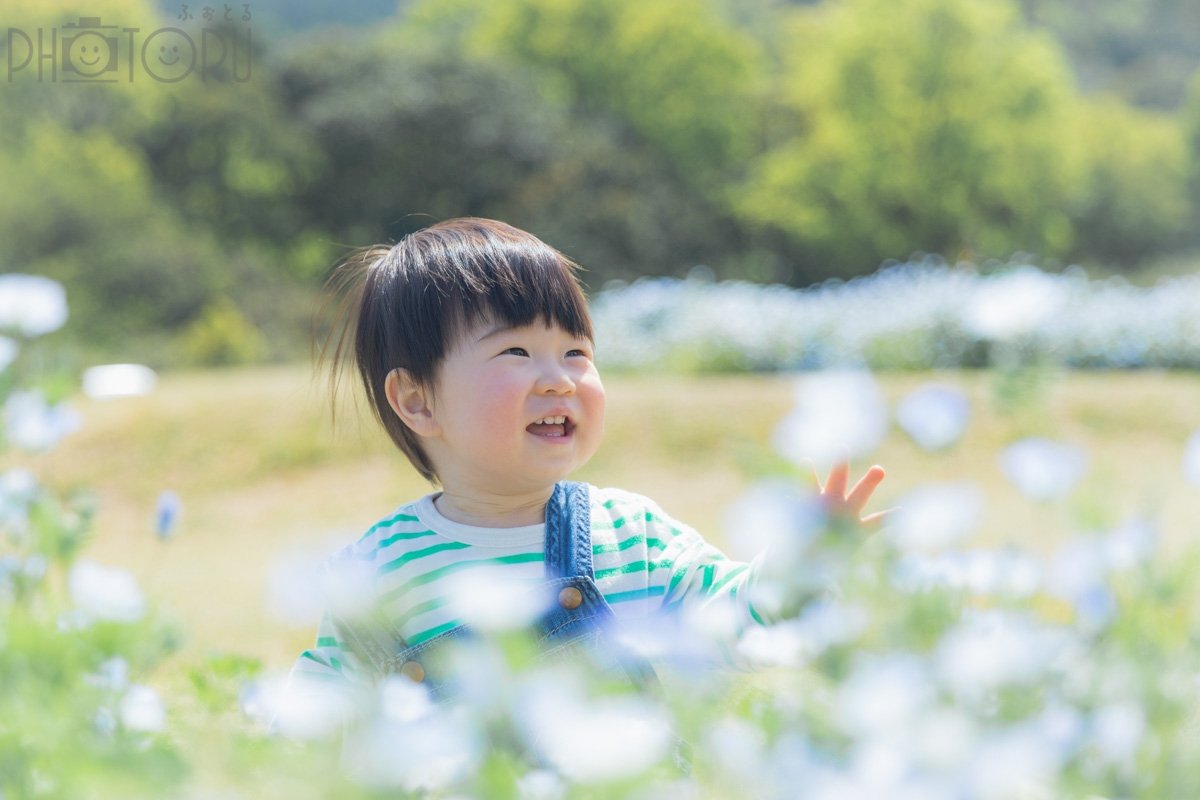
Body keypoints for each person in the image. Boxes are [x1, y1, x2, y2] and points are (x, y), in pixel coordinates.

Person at [289, 217, 887, 696]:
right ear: (418, 401)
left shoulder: (632, 535)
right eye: (518, 352)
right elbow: (316, 719)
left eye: (575, 352)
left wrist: (805, 563)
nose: (559, 380)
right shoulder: (380, 568)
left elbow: (731, 625)